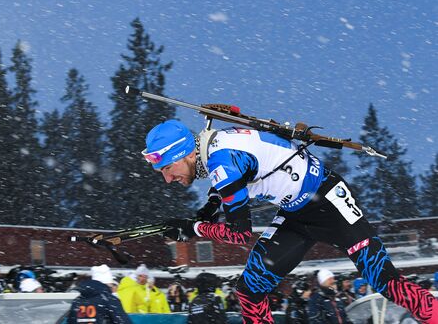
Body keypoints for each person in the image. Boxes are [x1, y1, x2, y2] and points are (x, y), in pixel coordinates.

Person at [142, 119, 438, 324]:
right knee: (249, 290)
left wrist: (192, 228)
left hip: (328, 203)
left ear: (188, 153)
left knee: (385, 282)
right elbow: (240, 173)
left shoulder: (222, 162)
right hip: (295, 213)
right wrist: (209, 207)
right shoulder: (215, 144)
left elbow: (238, 235)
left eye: (169, 168)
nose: (168, 178)